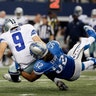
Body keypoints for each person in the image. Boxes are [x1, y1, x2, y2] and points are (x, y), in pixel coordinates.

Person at [4, 25, 96, 91]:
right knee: (79, 46)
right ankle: (92, 39)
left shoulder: (40, 65)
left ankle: (93, 53)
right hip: (72, 63)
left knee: (78, 47)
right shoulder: (53, 45)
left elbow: (31, 78)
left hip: (72, 76)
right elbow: (51, 50)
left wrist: (20, 71)